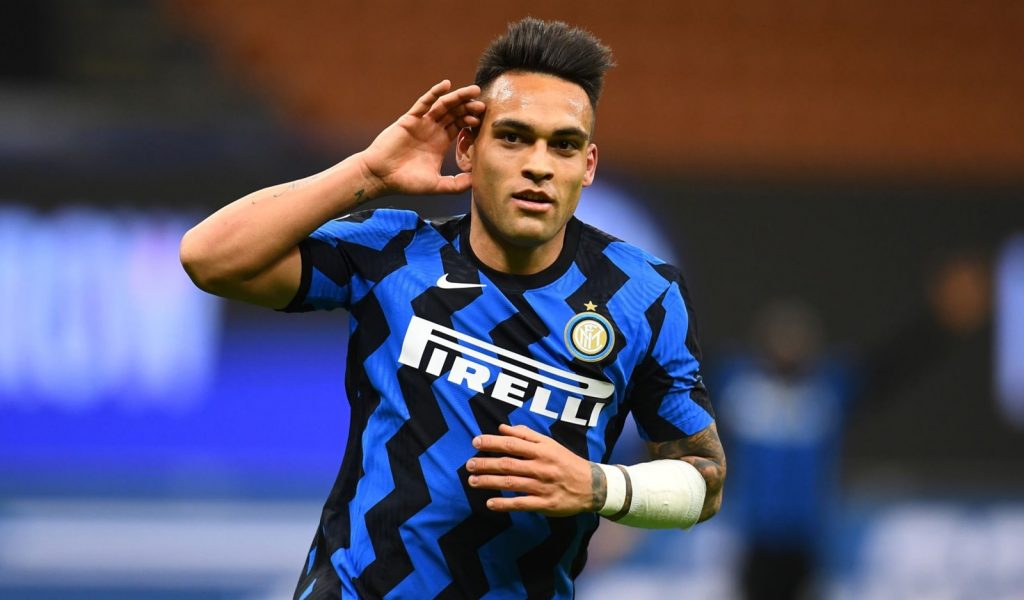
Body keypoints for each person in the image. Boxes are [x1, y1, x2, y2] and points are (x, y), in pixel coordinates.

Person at [180, 18, 725, 599]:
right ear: (467, 148)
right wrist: (368, 172)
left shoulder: (644, 296)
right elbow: (209, 258)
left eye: (563, 145)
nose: (539, 165)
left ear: (587, 166)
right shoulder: (396, 253)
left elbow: (705, 482)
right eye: (513, 137)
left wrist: (600, 486)